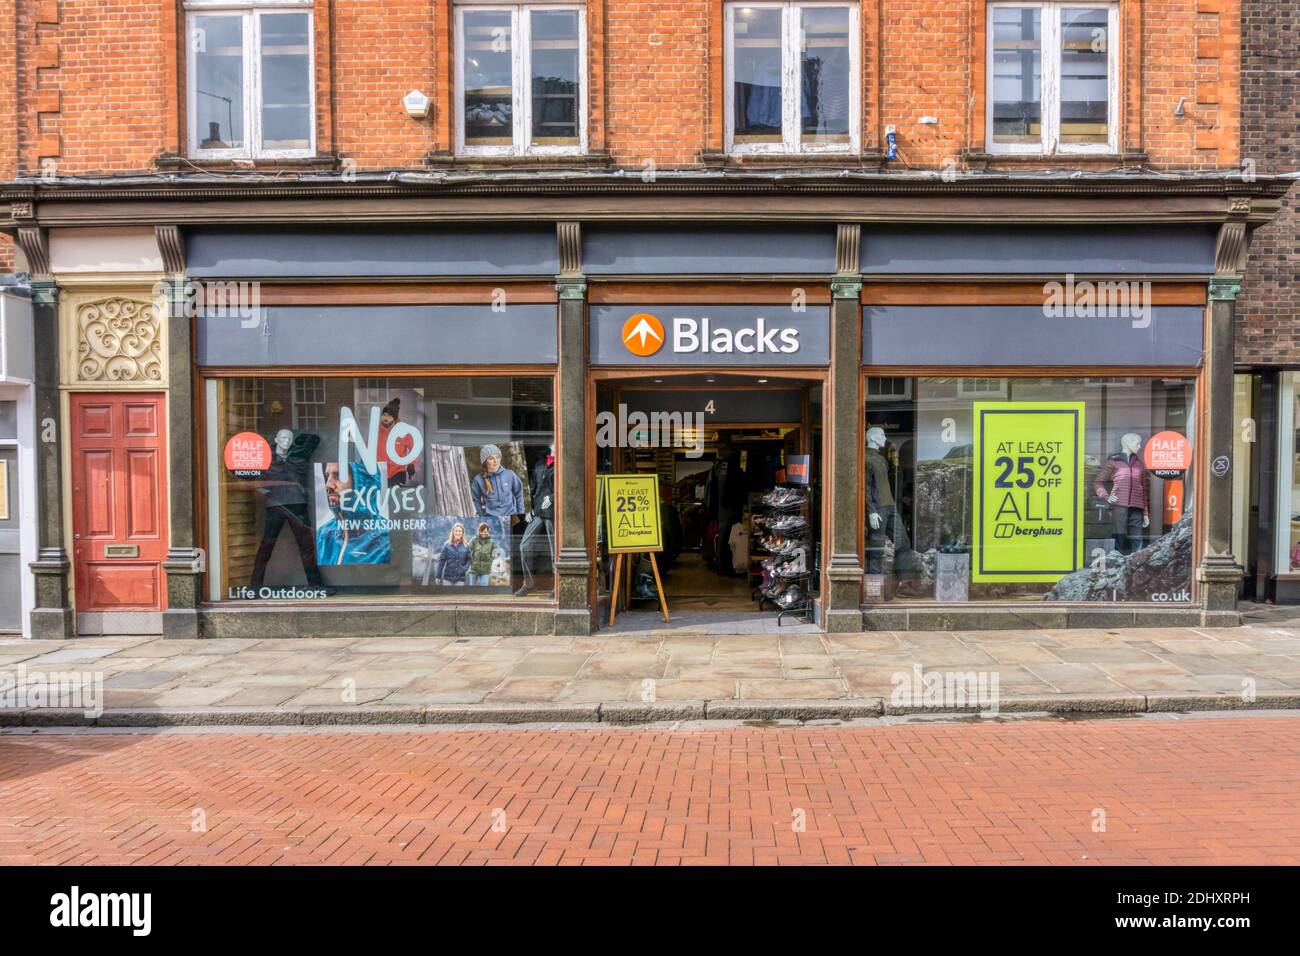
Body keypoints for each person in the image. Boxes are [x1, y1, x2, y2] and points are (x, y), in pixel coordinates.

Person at [250, 428, 323, 590]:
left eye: (290, 438)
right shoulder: (267, 458)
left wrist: (297, 441)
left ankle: (316, 585)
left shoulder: (299, 455)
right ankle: (254, 586)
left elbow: (314, 438)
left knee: (306, 546)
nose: (287, 441)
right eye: (283, 438)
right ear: (276, 439)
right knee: (266, 546)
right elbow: (257, 482)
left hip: (297, 504)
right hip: (275, 505)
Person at [315, 460, 391, 565]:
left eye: (338, 476)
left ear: (362, 484)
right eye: (327, 476)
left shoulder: (388, 543)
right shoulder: (322, 536)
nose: (328, 485)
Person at [471, 443, 525, 517]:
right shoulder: (478, 480)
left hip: (512, 517)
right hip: (492, 519)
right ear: (485, 462)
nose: (495, 461)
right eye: (491, 458)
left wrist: (521, 513)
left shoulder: (509, 474)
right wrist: (482, 517)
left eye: (497, 457)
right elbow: (476, 500)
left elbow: (519, 494)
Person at [375, 397, 416, 487]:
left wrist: (411, 464)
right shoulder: (375, 432)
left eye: (389, 416)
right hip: (379, 473)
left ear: (395, 418)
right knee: (381, 500)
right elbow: (367, 450)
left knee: (396, 499)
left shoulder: (403, 431)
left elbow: (414, 448)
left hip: (398, 474)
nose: (385, 418)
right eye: (384, 415)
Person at [434, 522, 470, 586]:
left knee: (457, 596)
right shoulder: (446, 545)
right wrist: (438, 576)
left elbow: (469, 559)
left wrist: (464, 569)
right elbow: (441, 561)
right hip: (447, 578)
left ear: (462, 533)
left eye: (460, 531)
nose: (458, 533)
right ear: (453, 532)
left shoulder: (466, 546)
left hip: (460, 578)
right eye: (456, 531)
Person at [467, 521, 497, 586]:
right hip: (474, 569)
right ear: (479, 531)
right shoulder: (474, 540)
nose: (483, 533)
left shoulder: (492, 542)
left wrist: (489, 562)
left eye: (485, 531)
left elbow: (494, 554)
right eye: (482, 531)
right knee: (473, 588)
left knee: (484, 586)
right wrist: (471, 561)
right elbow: (467, 550)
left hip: (485, 570)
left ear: (488, 531)